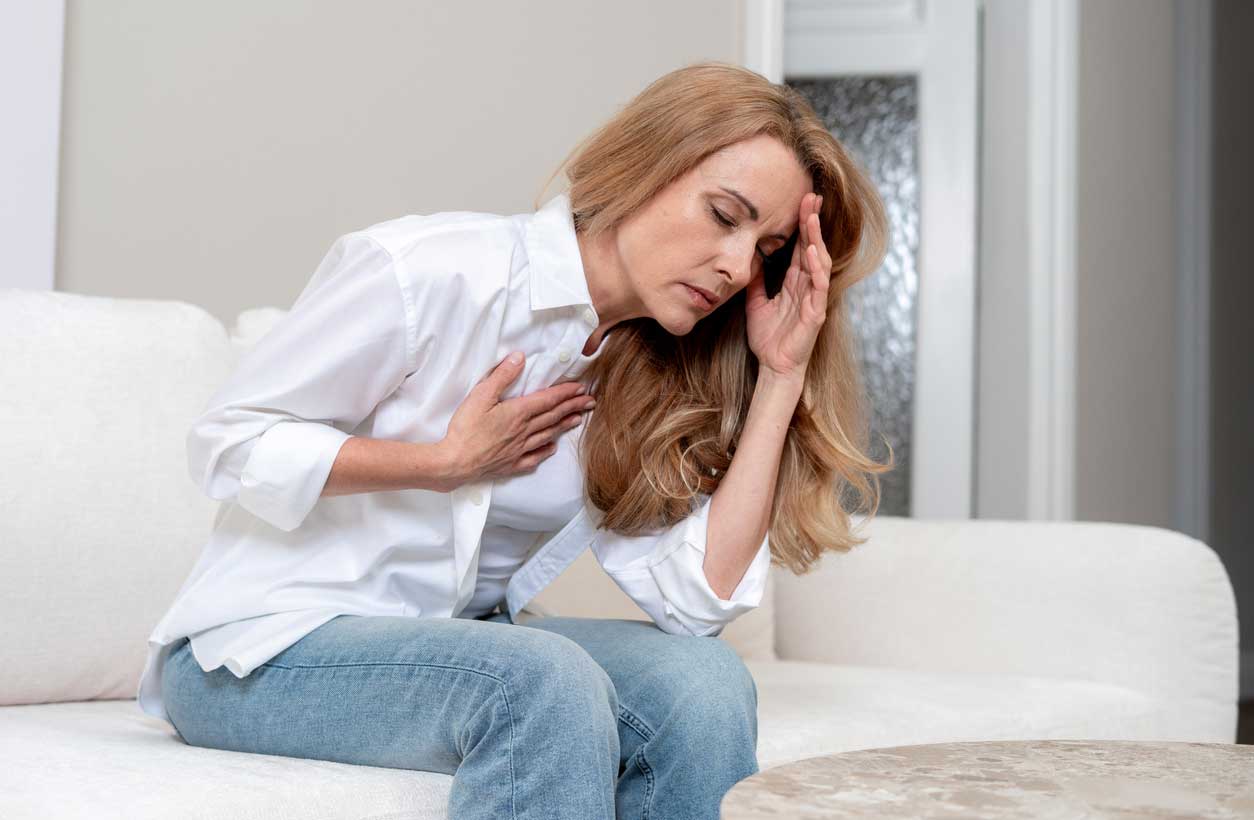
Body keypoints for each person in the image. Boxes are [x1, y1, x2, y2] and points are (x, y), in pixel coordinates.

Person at [140, 60, 892, 820]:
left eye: (765, 250)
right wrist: (441, 466)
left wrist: (780, 377)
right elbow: (229, 443)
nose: (736, 266)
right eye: (724, 215)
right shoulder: (429, 272)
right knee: (538, 679)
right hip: (260, 651)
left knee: (703, 682)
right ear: (644, 166)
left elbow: (695, 606)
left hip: (457, 644)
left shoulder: (647, 366)